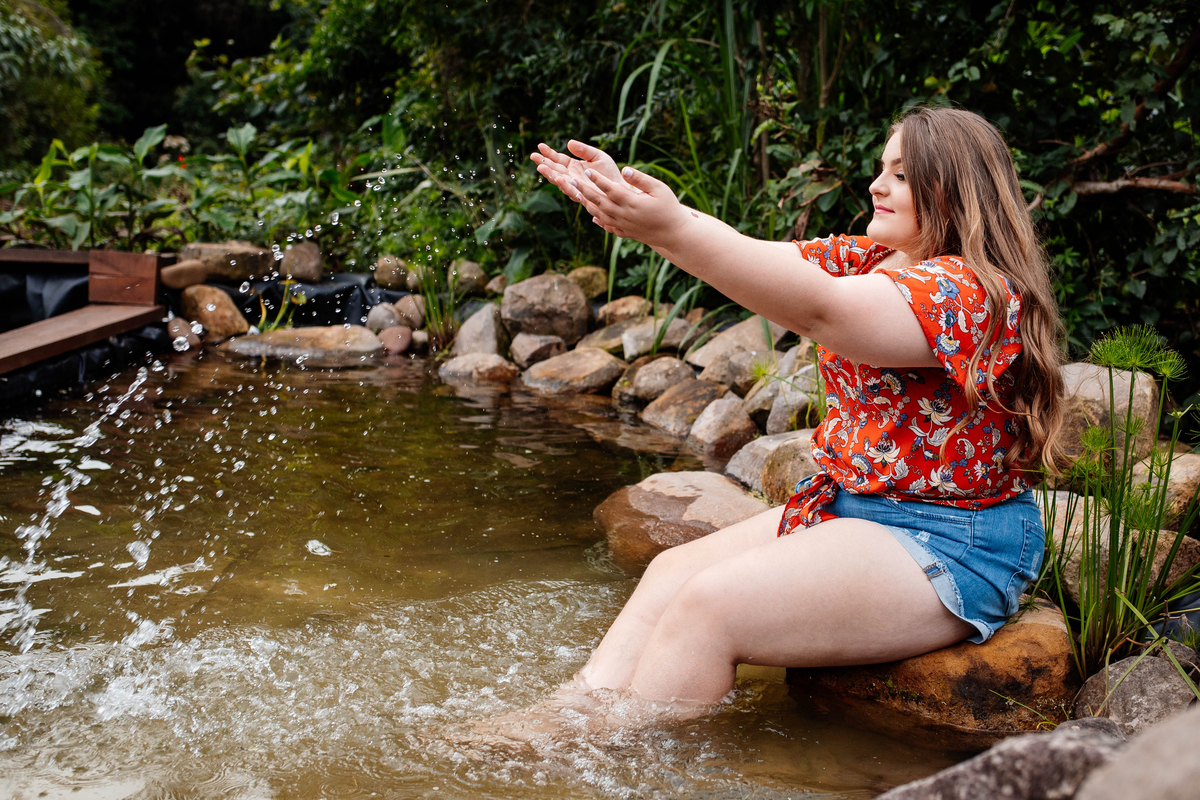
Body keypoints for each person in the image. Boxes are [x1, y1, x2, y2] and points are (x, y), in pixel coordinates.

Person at [520, 106, 1065, 725]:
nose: (875, 186)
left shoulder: (967, 292)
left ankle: (611, 758)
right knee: (671, 571)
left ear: (957, 191)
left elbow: (821, 312)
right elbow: (755, 256)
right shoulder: (869, 259)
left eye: (902, 175)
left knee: (710, 609)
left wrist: (668, 229)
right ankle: (562, 722)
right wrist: (650, 212)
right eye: (880, 169)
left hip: (947, 536)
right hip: (852, 505)